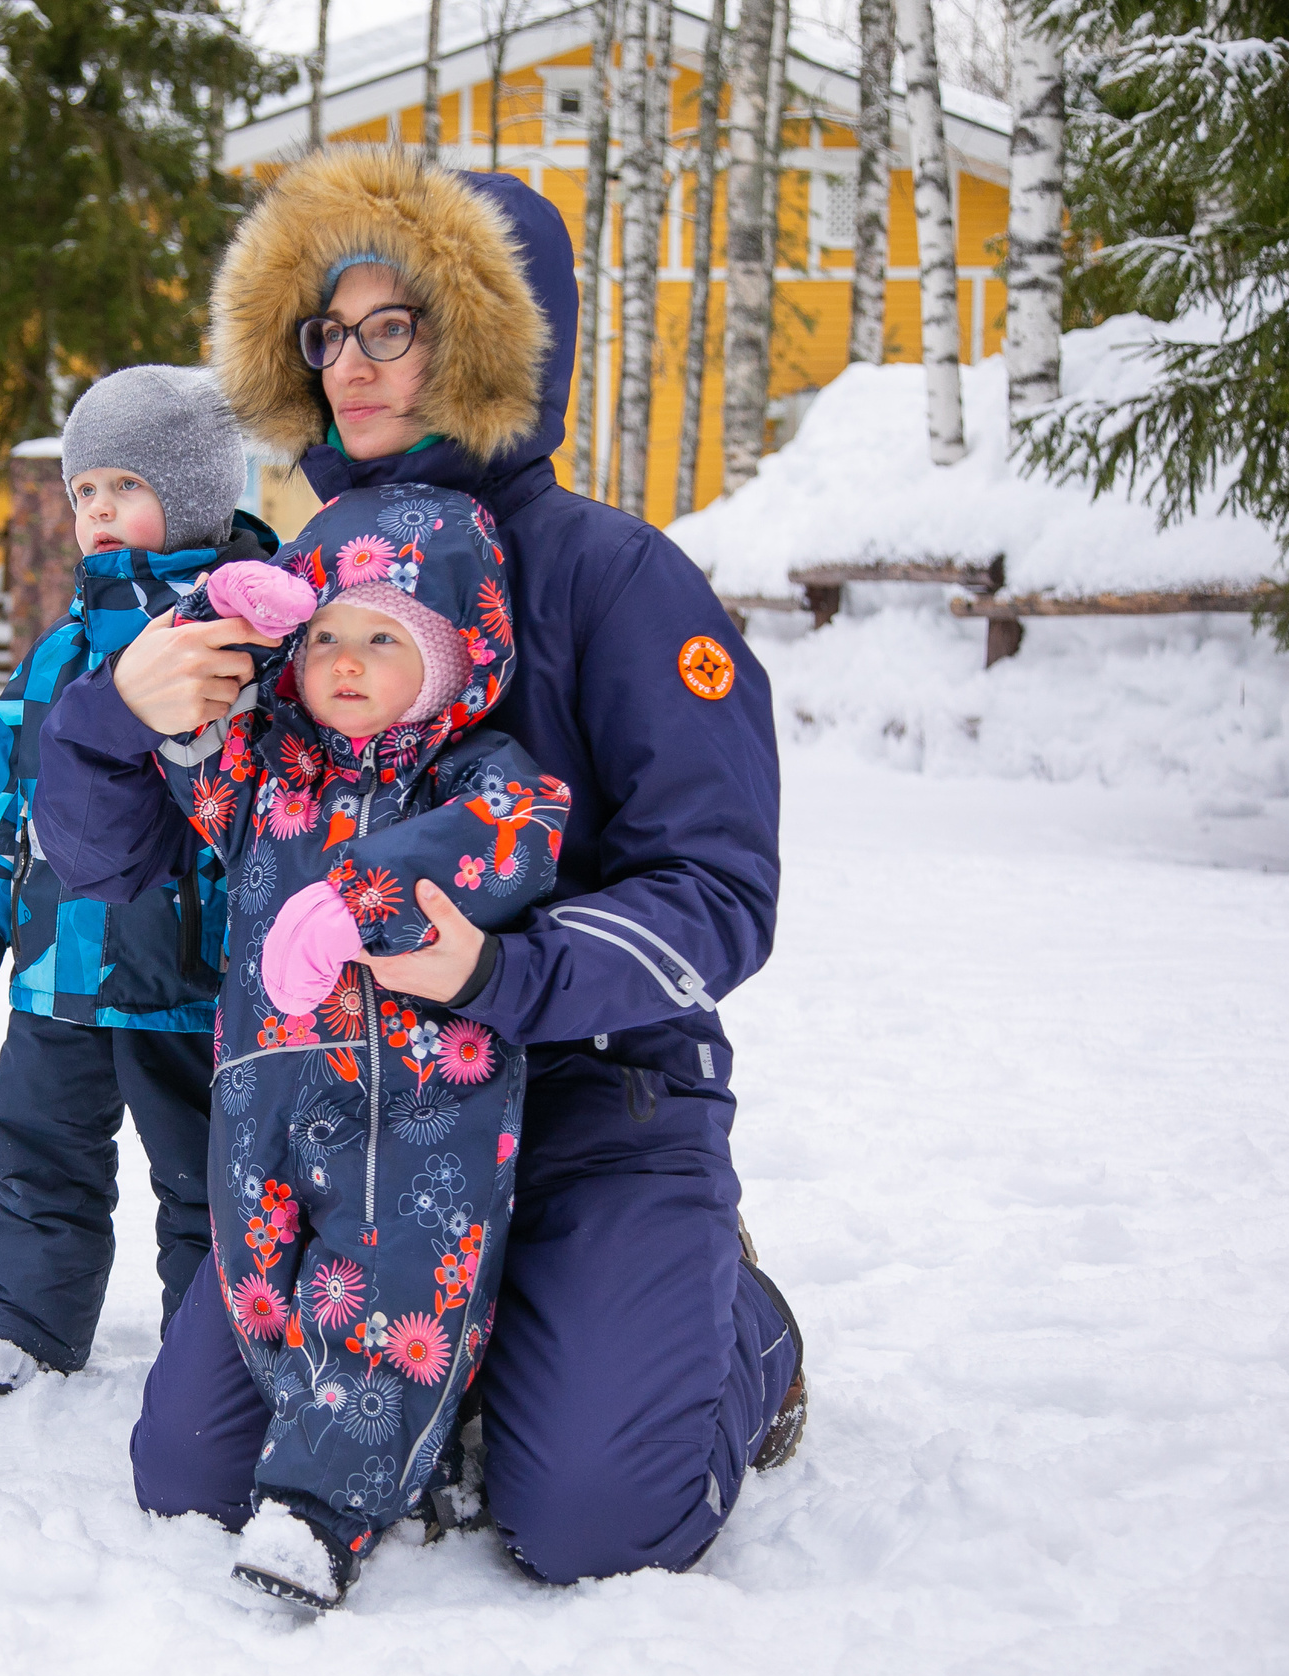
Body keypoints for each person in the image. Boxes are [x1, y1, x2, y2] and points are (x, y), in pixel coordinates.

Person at [40, 145, 804, 1596]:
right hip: (348, 1114)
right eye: (326, 331)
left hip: (587, 1098)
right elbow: (111, 865)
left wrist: (506, 973)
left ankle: (742, 1324)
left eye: (392, 325)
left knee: (590, 1521)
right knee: (191, 1477)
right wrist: (110, 720)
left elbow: (718, 891)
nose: (350, 363)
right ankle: (468, 1365)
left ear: (488, 337)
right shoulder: (297, 588)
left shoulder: (617, 576)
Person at [36, 488, 572, 1608]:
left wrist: (358, 898)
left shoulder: (482, 775)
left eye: (384, 638)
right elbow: (193, 738)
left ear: (451, 660)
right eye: (324, 636)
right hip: (264, 1099)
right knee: (263, 1292)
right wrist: (214, 610)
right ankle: (387, 1454)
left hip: (420, 1108)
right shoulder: (271, 776)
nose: (345, 661)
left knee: (393, 1293)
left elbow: (512, 839)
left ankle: (321, 1509)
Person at [0, 367, 277, 1394]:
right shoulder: (60, 653)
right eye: (85, 491)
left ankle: (205, 1351)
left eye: (127, 485)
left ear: (195, 493)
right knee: (38, 1147)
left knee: (203, 1174)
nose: (99, 510)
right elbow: (8, 797)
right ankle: (22, 1319)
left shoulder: (240, 644)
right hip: (58, 969)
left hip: (188, 977)